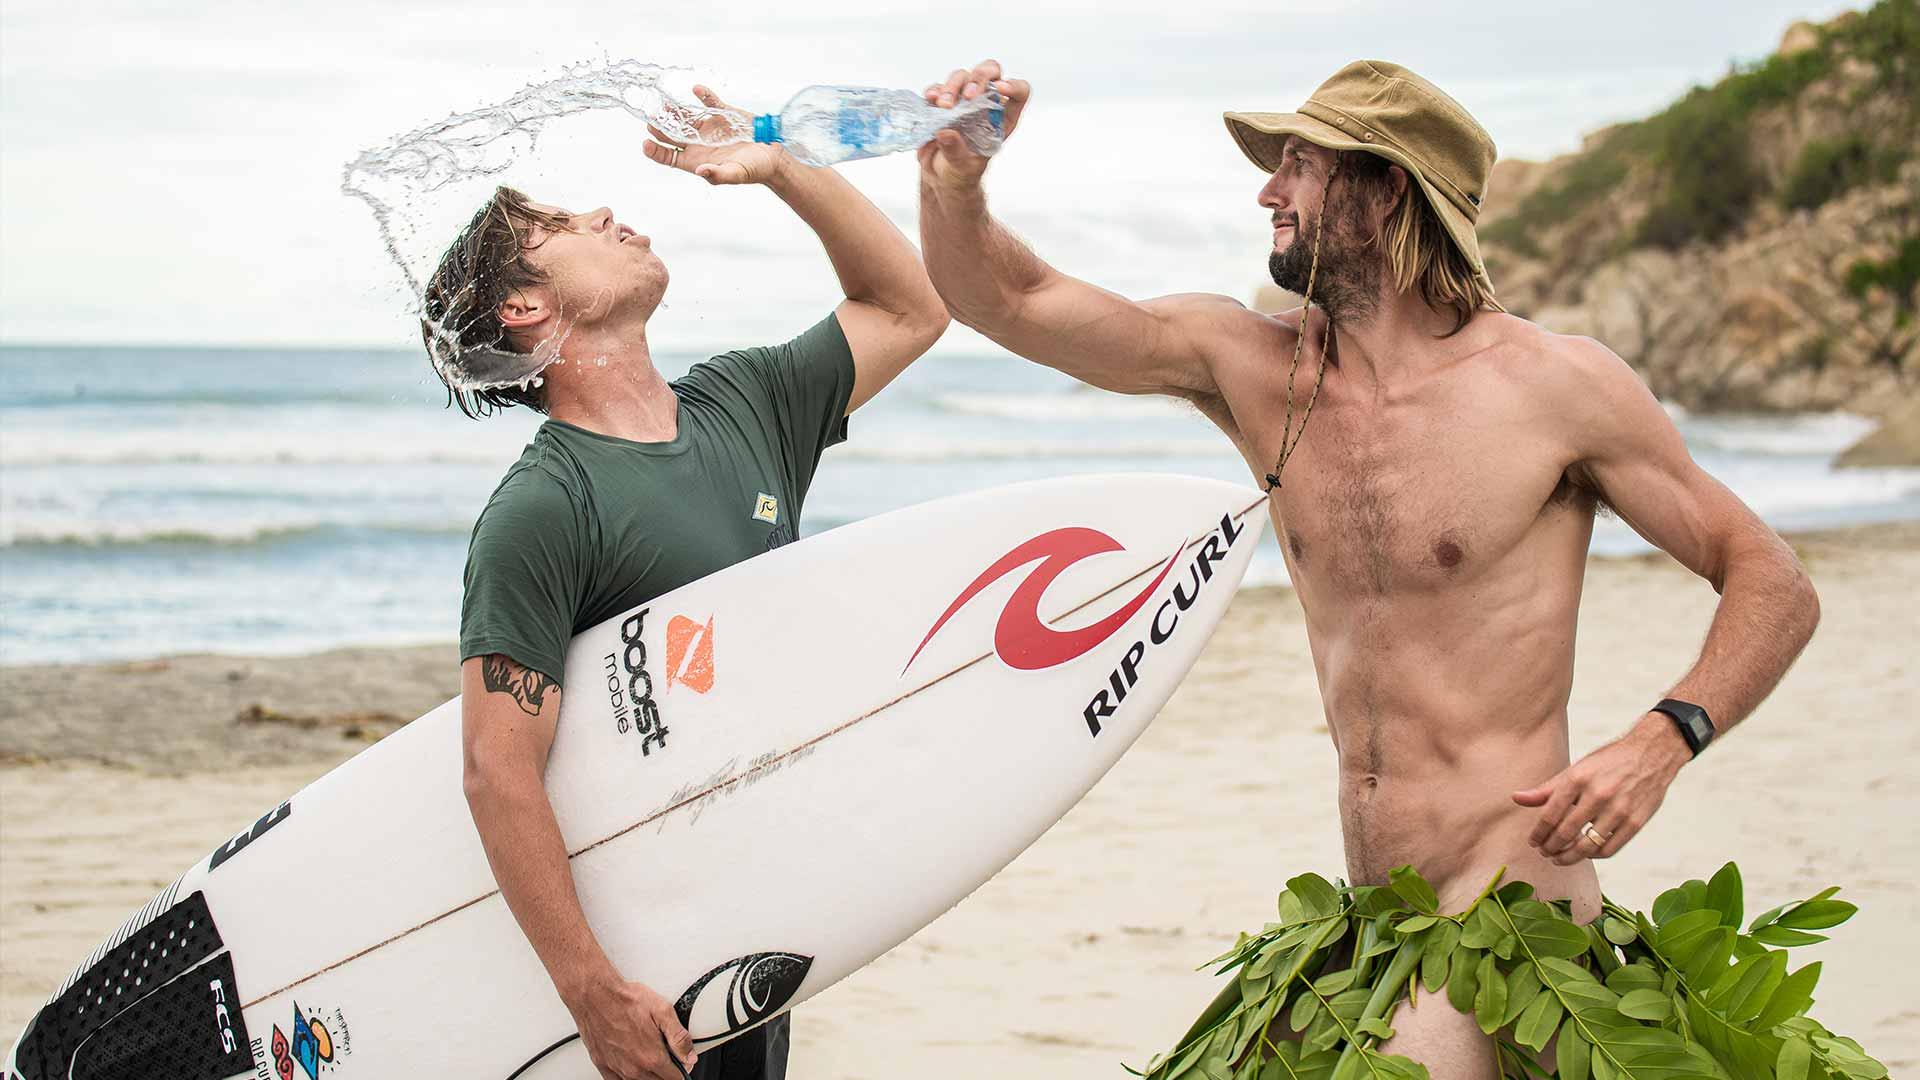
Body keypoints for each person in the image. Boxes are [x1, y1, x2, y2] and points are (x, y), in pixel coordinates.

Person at [915, 59, 1820, 1076]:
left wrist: (1665, 738)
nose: (1268, 191)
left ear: (1388, 188)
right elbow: (1008, 299)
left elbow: (1771, 578)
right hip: (1364, 931)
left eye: (1299, 166)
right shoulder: (1254, 368)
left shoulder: (1553, 389)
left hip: (1511, 921)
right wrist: (957, 184)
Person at [429, 86, 947, 1080]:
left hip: (751, 913)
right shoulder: (543, 508)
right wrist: (591, 992)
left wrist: (785, 167)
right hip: (639, 965)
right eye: (559, 226)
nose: (604, 216)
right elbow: (498, 769)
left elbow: (909, 308)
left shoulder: (744, 403)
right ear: (526, 308)